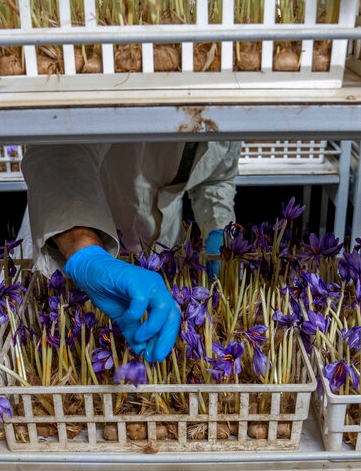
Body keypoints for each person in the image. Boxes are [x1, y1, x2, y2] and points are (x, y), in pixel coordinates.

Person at [21, 141, 240, 363]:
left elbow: (215, 178)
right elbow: (56, 151)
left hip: (162, 245)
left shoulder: (239, 112)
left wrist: (217, 228)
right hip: (72, 234)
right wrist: (85, 252)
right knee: (70, 335)